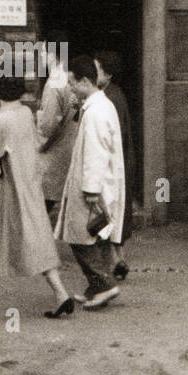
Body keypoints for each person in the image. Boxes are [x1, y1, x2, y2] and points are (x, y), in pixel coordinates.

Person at [0, 75, 75, 319]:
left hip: (7, 189)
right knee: (36, 240)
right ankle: (61, 294)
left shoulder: (0, 121)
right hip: (29, 186)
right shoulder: (26, 114)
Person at [54, 55, 126, 310]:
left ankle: (104, 285)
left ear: (85, 80)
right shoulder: (99, 106)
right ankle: (96, 288)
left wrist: (91, 191)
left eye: (72, 82)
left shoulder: (95, 112)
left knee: (80, 239)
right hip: (100, 184)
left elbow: (96, 152)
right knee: (96, 237)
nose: (70, 87)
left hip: (93, 187)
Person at [95, 50, 135, 280]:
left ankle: (113, 260)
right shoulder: (113, 93)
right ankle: (118, 258)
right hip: (120, 160)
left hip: (115, 162)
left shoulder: (110, 98)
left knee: (110, 210)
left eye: (97, 69)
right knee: (115, 212)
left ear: (107, 74)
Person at [36, 32, 78, 220]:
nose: (42, 56)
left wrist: (38, 145)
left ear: (53, 54)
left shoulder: (54, 82)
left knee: (41, 208)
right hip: (70, 145)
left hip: (53, 153)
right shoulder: (71, 78)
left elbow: (49, 124)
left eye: (44, 51)